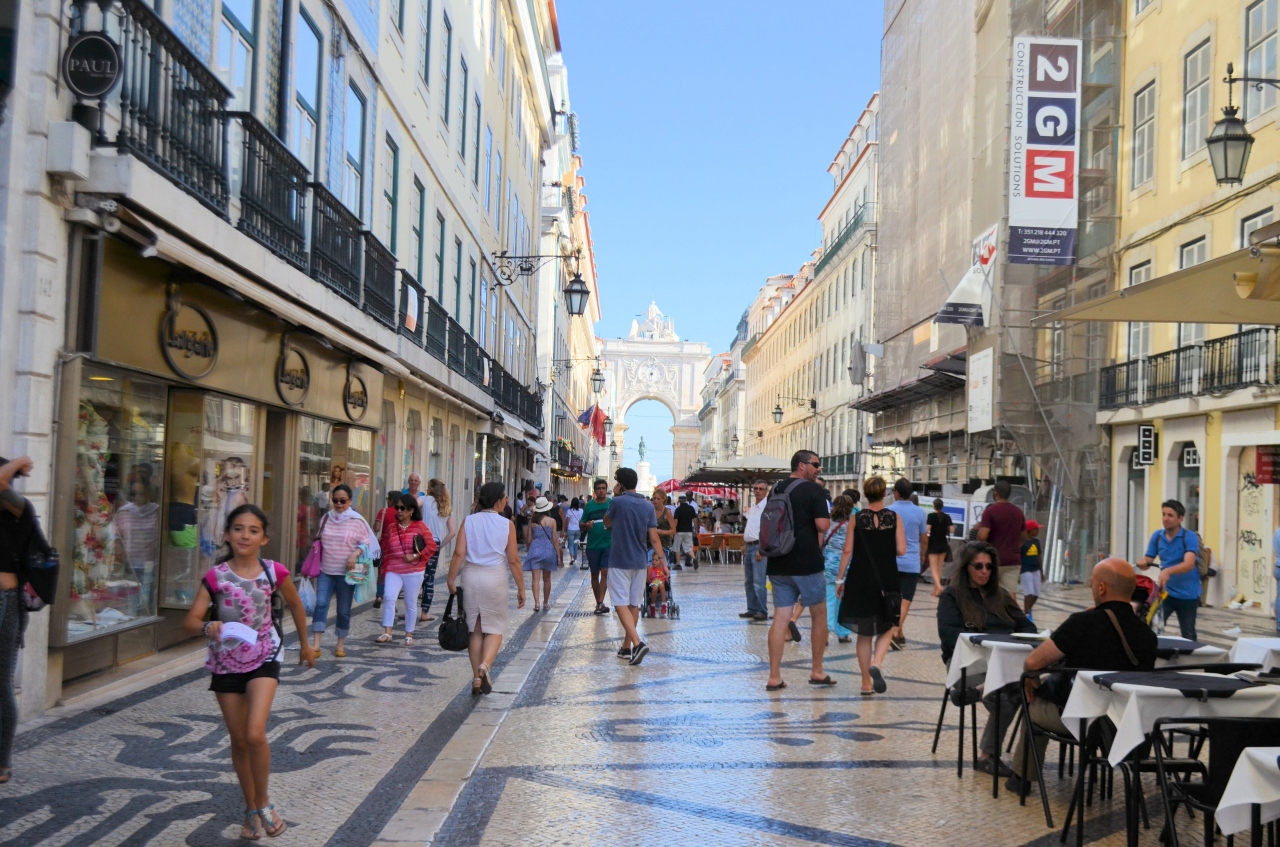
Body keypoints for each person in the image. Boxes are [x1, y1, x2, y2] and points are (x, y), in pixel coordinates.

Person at [183, 504, 316, 839]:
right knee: (240, 741)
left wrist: (305, 644)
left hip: (264, 656)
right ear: (227, 535)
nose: (245, 536)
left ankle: (264, 803)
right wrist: (208, 627)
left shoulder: (274, 572)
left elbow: (296, 605)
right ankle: (250, 808)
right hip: (225, 663)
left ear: (264, 538)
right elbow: (191, 620)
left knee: (255, 733)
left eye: (253, 530)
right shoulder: (216, 576)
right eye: (238, 529)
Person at [1006, 558, 1158, 793]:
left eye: (1093, 584)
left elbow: (1033, 662)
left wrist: (1031, 678)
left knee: (1032, 705)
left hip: (1082, 720)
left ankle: (1021, 778)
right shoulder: (1148, 635)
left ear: (1101, 588)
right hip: (1126, 725)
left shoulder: (1082, 623)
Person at [935, 541, 1036, 776]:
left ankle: (980, 691)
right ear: (967, 568)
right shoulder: (952, 595)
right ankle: (987, 757)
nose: (984, 572)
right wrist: (987, 642)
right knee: (1008, 694)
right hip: (966, 663)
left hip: (1002, 663)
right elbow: (948, 635)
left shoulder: (1000, 595)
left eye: (989, 567)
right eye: (978, 566)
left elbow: (1027, 625)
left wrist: (1018, 640)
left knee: (1025, 688)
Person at [447, 482, 526, 696]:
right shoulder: (507, 524)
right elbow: (514, 560)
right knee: (495, 627)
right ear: (498, 501)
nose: (507, 500)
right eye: (505, 497)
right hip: (495, 577)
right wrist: (521, 588)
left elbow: (459, 553)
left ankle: (476, 678)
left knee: (474, 628)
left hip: (471, 576)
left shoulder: (468, 521)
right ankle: (485, 666)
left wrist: (451, 579)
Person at [764, 450, 833, 691]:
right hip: (807, 563)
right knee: (819, 616)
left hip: (778, 560)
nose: (819, 468)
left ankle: (774, 676)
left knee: (780, 619)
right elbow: (823, 525)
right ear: (802, 466)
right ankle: (817, 670)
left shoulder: (775, 489)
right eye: (816, 464)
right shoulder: (814, 490)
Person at [837, 475, 905, 696]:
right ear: (885, 493)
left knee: (864, 633)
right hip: (887, 578)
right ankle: (877, 663)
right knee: (888, 624)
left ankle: (866, 683)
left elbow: (847, 551)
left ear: (865, 495)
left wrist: (840, 580)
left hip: (860, 578)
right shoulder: (894, 518)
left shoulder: (856, 519)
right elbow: (902, 550)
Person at [602, 467, 667, 666]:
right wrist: (663, 562)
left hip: (620, 560)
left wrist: (615, 496)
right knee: (633, 604)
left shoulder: (617, 502)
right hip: (640, 561)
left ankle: (637, 643)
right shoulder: (647, 506)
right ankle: (626, 647)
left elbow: (606, 523)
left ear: (620, 484)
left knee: (620, 603)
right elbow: (654, 537)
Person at [309, 484, 380, 657]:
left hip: (347, 574)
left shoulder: (357, 521)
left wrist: (355, 554)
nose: (339, 504)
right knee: (321, 604)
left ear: (350, 501)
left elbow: (365, 543)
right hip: (326, 570)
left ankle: (340, 644)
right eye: (335, 500)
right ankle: (316, 644)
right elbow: (318, 539)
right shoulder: (326, 518)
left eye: (343, 500)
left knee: (343, 609)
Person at [0, 456, 37, 784]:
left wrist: (20, 462)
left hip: (6, 603)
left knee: (1, 685)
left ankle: (2, 763)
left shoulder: (20, 509)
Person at [1134, 499, 1201, 640]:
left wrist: (1168, 571)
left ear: (1180, 518)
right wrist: (1142, 562)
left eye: (1170, 515)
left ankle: (1190, 654)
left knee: (1188, 633)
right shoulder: (1157, 536)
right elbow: (1148, 561)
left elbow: (1189, 563)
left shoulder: (1189, 537)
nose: (1165, 518)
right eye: (1163, 514)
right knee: (1150, 626)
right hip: (1165, 593)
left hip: (1188, 594)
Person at [376, 494, 436, 646]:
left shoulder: (420, 526)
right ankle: (387, 632)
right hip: (393, 569)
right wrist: (383, 571)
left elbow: (431, 546)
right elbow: (386, 550)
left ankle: (409, 634)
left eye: (403, 508)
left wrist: (415, 556)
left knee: (410, 602)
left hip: (414, 571)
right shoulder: (391, 528)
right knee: (389, 597)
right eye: (397, 507)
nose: (399, 511)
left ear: (411, 510)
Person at [888, 478, 928, 650]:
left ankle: (899, 633)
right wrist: (923, 554)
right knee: (906, 599)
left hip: (892, 561)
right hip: (911, 561)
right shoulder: (920, 512)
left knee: (894, 597)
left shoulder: (888, 511)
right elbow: (924, 538)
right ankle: (895, 632)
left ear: (896, 493)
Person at [977, 480, 1026, 598]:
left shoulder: (989, 511)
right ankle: (1010, 610)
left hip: (993, 560)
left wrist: (978, 530)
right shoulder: (1018, 512)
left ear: (996, 493)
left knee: (988, 592)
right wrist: (1014, 547)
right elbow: (1024, 536)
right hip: (1013, 560)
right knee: (1010, 593)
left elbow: (983, 536)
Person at [419, 478, 457, 623]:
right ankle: (425, 612)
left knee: (414, 575)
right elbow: (452, 532)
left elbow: (412, 505)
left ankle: (410, 610)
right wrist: (440, 546)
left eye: (428, 486)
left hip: (420, 542)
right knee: (429, 578)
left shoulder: (424, 500)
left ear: (431, 488)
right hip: (434, 544)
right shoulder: (446, 507)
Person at [823, 496, 854, 644]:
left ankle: (825, 633)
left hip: (828, 567)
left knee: (828, 601)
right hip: (845, 568)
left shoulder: (827, 525)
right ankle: (843, 633)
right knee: (843, 602)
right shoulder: (851, 526)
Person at [523, 496, 561, 612]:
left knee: (535, 579)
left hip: (535, 549)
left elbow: (528, 539)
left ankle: (537, 603)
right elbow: (555, 540)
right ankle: (545, 602)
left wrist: (530, 549)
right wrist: (558, 555)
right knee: (547, 579)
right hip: (548, 550)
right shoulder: (552, 521)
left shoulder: (532, 522)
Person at [581, 479, 612, 615]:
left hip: (608, 544)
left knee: (605, 572)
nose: (601, 491)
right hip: (593, 545)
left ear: (606, 489)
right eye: (598, 488)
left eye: (603, 488)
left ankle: (600, 602)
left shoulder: (611, 504)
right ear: (595, 490)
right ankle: (599, 603)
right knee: (594, 574)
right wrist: (586, 525)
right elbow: (581, 524)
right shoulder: (589, 506)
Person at [740, 480, 769, 621]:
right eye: (755, 488)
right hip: (749, 546)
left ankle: (762, 610)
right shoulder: (753, 506)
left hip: (758, 546)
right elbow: (749, 526)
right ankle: (751, 608)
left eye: (760, 489)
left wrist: (762, 549)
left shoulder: (767, 507)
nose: (757, 491)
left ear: (766, 491)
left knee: (759, 581)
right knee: (749, 581)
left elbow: (767, 530)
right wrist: (744, 543)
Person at [371, 491, 400, 610]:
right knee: (394, 575)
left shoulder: (383, 512)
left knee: (382, 572)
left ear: (391, 500)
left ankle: (379, 596)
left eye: (388, 499)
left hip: (384, 546)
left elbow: (376, 528)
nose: (387, 501)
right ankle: (392, 600)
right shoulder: (401, 512)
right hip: (397, 548)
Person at [926, 498, 953, 598]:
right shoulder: (947, 517)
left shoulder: (931, 516)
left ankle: (939, 586)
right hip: (943, 544)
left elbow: (927, 529)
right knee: (939, 568)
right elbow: (952, 529)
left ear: (934, 506)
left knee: (933, 569)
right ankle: (935, 591)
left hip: (933, 544)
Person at [1020, 520, 1044, 621]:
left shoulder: (1036, 542)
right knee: (1029, 592)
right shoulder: (1022, 542)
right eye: (1036, 529)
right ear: (1029, 530)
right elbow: (1019, 557)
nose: (1038, 531)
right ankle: (1026, 615)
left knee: (1036, 593)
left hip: (1035, 569)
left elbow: (1038, 557)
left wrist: (1041, 572)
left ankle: (1029, 609)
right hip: (1026, 569)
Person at [672, 495, 699, 570]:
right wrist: (696, 530)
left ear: (679, 501)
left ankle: (678, 565)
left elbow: (676, 521)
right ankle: (694, 558)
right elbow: (695, 520)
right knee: (689, 548)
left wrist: (673, 530)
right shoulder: (691, 508)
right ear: (686, 500)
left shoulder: (678, 509)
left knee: (677, 548)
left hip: (679, 531)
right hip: (689, 531)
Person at [652, 490, 676, 565]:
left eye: (658, 499)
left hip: (664, 543)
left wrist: (661, 531)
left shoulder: (667, 512)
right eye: (654, 498)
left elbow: (674, 530)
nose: (656, 501)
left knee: (663, 566)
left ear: (663, 500)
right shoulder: (651, 510)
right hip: (651, 543)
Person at [647, 551, 670, 618]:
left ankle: (664, 604)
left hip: (661, 583)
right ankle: (653, 605)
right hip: (653, 583)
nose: (654, 562)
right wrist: (648, 572)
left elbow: (666, 577)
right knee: (655, 587)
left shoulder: (662, 569)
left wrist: (666, 579)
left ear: (661, 562)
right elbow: (648, 580)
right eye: (653, 560)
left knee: (661, 585)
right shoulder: (650, 569)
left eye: (656, 560)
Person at [565, 498, 584, 563]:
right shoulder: (581, 510)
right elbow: (582, 520)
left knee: (571, 545)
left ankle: (572, 557)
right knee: (576, 544)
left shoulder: (569, 511)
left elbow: (568, 521)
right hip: (578, 529)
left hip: (570, 529)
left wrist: (566, 529)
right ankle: (575, 557)